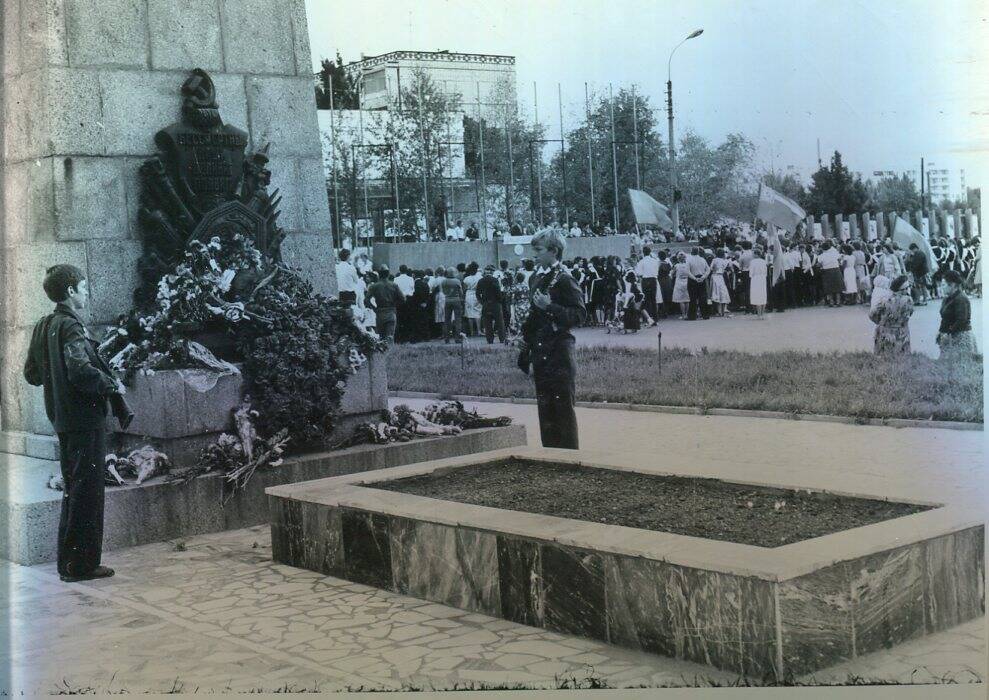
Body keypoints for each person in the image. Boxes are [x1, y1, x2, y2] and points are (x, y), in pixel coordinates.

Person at [23, 265, 133, 583]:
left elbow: (32, 374)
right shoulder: (71, 326)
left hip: (62, 419)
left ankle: (68, 564)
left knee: (74, 489)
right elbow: (81, 371)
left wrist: (54, 377)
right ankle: (82, 565)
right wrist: (113, 385)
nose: (86, 292)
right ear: (70, 291)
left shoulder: (44, 325)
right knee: (87, 491)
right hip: (84, 420)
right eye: (83, 287)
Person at [517, 230, 586, 449]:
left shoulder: (565, 278)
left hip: (559, 351)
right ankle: (551, 457)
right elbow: (534, 316)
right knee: (545, 409)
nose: (533, 254)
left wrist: (550, 306)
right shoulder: (536, 278)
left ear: (554, 251)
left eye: (538, 250)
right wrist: (525, 342)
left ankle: (568, 459)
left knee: (562, 409)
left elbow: (579, 314)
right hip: (540, 349)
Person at [936, 270, 977, 361]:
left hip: (961, 337)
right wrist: (940, 331)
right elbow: (945, 318)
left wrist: (948, 333)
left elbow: (961, 320)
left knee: (960, 367)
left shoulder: (961, 298)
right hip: (950, 336)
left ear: (953, 285)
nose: (941, 288)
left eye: (943, 285)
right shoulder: (947, 298)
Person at [869, 275, 914, 355]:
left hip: (885, 333)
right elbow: (910, 313)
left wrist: (881, 323)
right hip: (903, 333)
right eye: (906, 288)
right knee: (902, 359)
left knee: (883, 358)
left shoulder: (885, 300)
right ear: (901, 289)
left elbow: (872, 314)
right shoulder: (909, 301)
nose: (908, 290)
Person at [366, 267, 403, 341]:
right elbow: (402, 299)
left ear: (379, 274)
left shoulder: (374, 286)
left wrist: (374, 308)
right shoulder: (394, 285)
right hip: (391, 311)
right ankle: (391, 351)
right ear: (388, 274)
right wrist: (394, 305)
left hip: (379, 312)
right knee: (390, 336)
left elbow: (366, 300)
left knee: (381, 337)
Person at [477, 265, 507, 344]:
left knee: (487, 323)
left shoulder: (480, 281)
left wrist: (482, 302)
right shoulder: (495, 280)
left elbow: (477, 293)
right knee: (499, 322)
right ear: (492, 272)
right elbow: (498, 292)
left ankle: (489, 339)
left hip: (486, 303)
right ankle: (502, 338)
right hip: (495, 303)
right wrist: (500, 300)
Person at [634, 246, 660, 325]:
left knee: (645, 299)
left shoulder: (641, 262)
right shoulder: (655, 261)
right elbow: (656, 271)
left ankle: (647, 318)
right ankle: (655, 318)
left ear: (643, 252)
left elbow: (638, 273)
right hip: (653, 280)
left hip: (645, 280)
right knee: (653, 300)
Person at [440, 268, 465, 343]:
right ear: (453, 273)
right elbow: (461, 292)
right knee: (458, 319)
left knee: (447, 319)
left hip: (447, 300)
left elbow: (443, 291)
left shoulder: (443, 281)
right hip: (456, 300)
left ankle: (446, 338)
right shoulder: (456, 281)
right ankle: (457, 338)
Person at [685, 246, 710, 320]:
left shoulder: (688, 259)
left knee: (693, 298)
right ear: (698, 252)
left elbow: (687, 271)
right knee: (703, 297)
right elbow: (708, 269)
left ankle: (692, 316)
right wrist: (703, 277)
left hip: (693, 279)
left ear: (691, 251)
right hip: (701, 278)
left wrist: (694, 278)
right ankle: (705, 315)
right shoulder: (702, 259)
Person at [817, 240, 843, 307]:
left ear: (823, 248)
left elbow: (819, 265)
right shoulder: (834, 253)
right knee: (837, 286)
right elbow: (840, 259)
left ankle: (831, 302)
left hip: (827, 271)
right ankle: (838, 301)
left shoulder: (821, 256)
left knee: (829, 287)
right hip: (836, 269)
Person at [335, 249, 361, 313]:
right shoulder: (351, 268)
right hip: (350, 294)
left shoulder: (336, 267)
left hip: (340, 294)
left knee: (342, 312)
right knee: (352, 313)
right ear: (348, 256)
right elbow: (356, 281)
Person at [709, 249, 732, 317]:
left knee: (716, 293)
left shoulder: (714, 260)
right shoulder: (724, 261)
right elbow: (727, 266)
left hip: (715, 276)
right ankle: (722, 311)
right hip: (721, 277)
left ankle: (719, 311)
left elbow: (711, 268)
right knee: (722, 292)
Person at [463, 262, 483, 337]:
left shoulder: (466, 279)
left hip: (468, 295)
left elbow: (464, 289)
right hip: (477, 294)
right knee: (478, 313)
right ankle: (479, 330)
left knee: (469, 314)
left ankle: (471, 331)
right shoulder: (480, 277)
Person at [748, 247, 769, 319]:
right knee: (763, 295)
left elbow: (751, 273)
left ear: (756, 254)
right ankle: (762, 314)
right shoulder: (763, 261)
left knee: (757, 295)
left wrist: (751, 276)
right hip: (763, 278)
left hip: (755, 279)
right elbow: (766, 272)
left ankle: (759, 315)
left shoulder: (753, 262)